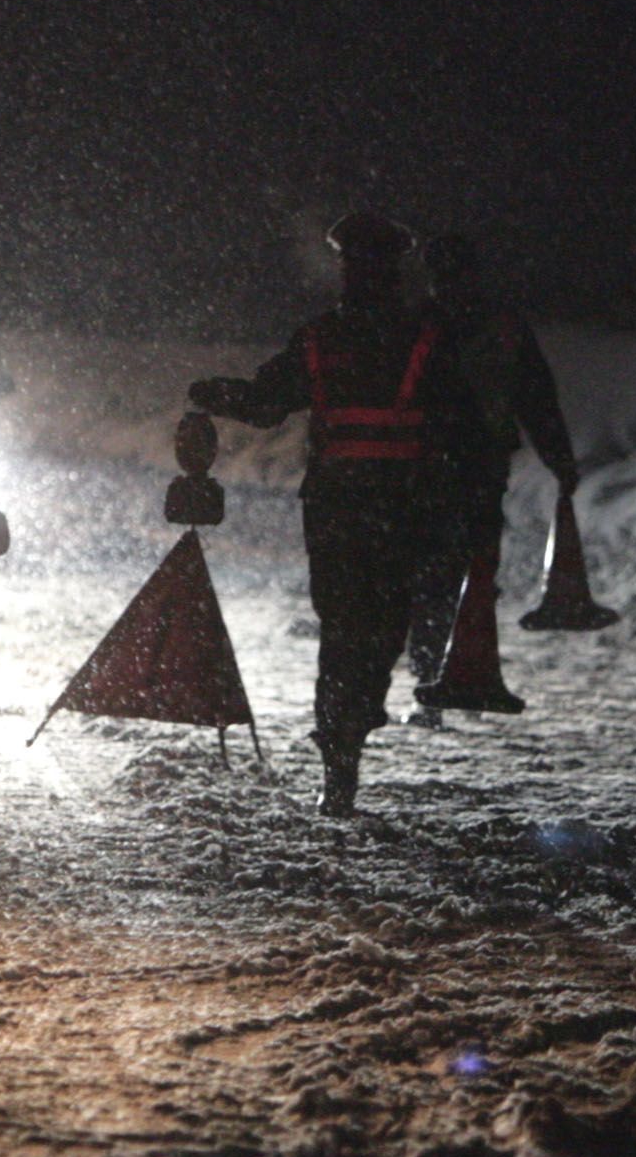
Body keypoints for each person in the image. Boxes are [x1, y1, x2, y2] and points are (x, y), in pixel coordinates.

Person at [189, 211, 477, 816]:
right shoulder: (429, 340)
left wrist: (215, 394)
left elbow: (267, 403)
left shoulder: (322, 338)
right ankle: (350, 737)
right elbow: (462, 428)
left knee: (344, 633)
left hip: (338, 513)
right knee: (379, 632)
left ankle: (340, 755)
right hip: (401, 513)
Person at [405, 233, 579, 720]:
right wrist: (560, 459)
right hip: (481, 464)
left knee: (433, 576)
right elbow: (537, 398)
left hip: (428, 466)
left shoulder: (415, 323)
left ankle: (435, 678)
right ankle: (466, 672)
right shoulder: (503, 326)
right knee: (475, 570)